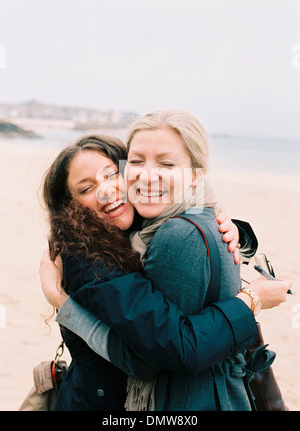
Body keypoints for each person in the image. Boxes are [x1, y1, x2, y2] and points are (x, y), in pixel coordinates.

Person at [40, 123, 292, 411]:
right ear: (71, 208)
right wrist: (252, 300)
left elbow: (188, 193)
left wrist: (235, 231)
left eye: (112, 175)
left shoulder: (134, 229)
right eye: (86, 188)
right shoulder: (89, 259)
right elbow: (164, 352)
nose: (107, 191)